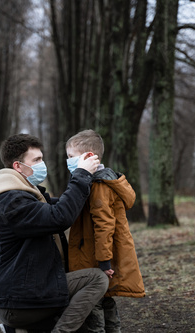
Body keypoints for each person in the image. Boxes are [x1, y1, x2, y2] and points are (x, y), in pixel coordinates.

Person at [0, 133, 109, 333]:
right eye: (37, 160)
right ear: (18, 166)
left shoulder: (25, 194)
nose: (43, 164)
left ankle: (20, 331)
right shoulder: (12, 201)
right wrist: (81, 174)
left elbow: (64, 206)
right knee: (96, 279)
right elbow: (60, 217)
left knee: (84, 324)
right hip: (21, 301)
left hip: (30, 293)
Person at [65, 129, 145, 333]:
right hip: (97, 255)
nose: (68, 161)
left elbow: (104, 226)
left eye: (71, 157)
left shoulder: (99, 185)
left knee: (93, 305)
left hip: (95, 258)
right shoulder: (99, 181)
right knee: (106, 301)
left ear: (89, 156)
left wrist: (103, 262)